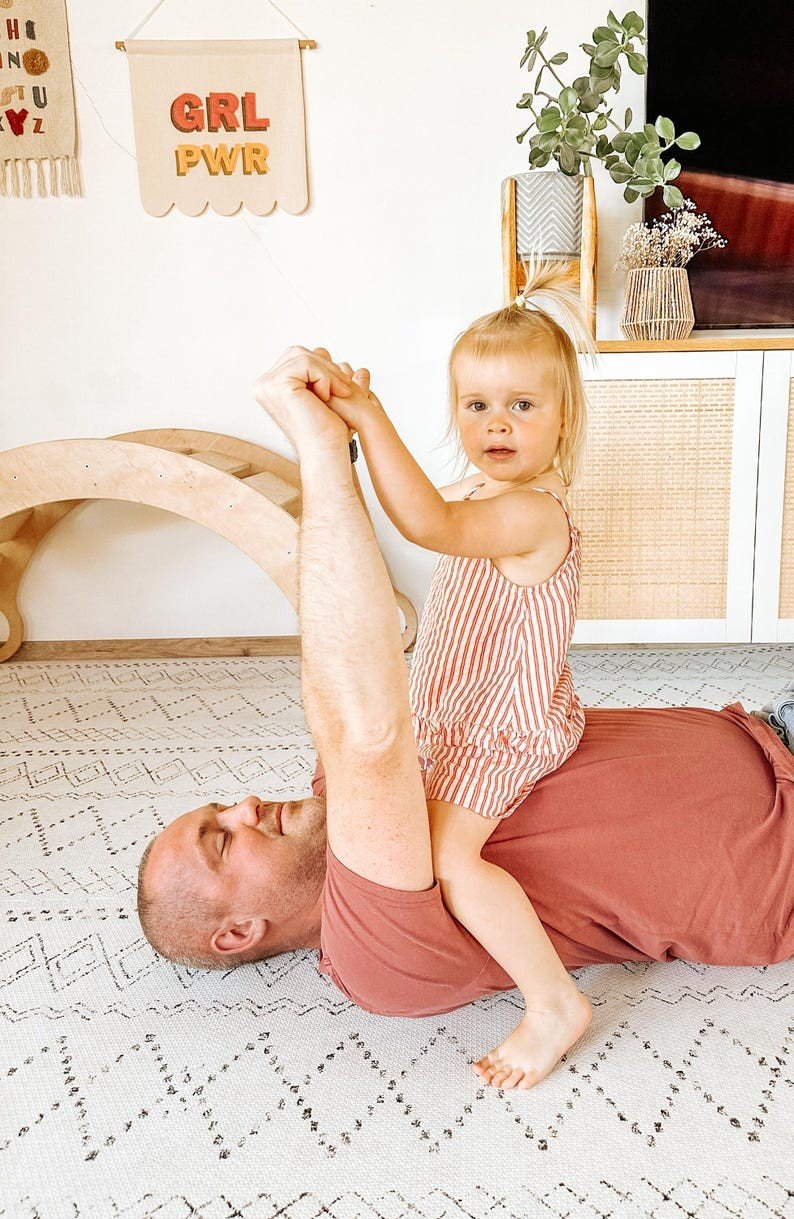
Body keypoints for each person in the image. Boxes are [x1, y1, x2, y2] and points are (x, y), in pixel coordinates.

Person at [137, 345, 794, 1093]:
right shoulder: (372, 950)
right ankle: (553, 1004)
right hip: (783, 854)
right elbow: (366, 727)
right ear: (237, 932)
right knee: (452, 851)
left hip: (763, 722)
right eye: (222, 838)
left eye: (222, 806)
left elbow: (413, 523)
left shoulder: (338, 797)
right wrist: (324, 448)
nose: (245, 803)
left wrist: (358, 429)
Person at [321, 263, 594, 1088]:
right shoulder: (484, 486)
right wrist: (347, 445)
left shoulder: (530, 510)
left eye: (521, 405)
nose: (496, 424)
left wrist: (368, 418)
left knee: (450, 856)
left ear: (561, 418)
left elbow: (427, 523)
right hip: (451, 706)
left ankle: (554, 1002)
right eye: (477, 406)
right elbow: (418, 506)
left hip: (504, 723)